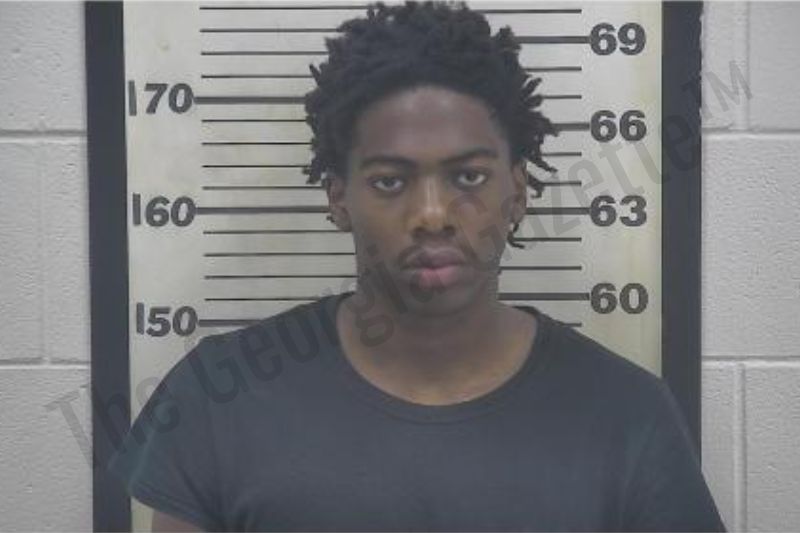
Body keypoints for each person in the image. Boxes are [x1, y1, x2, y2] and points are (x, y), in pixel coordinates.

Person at [107, 1, 726, 531]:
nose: (432, 214)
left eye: (468, 177)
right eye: (390, 180)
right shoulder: (218, 397)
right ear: (338, 197)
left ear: (518, 193)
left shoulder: (627, 414)